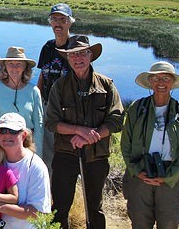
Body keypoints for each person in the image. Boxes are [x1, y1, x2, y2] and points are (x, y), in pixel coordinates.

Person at [45, 35, 124, 229]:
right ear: (68, 58)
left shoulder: (106, 85)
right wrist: (79, 130)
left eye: (83, 53)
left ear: (91, 56)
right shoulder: (59, 86)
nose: (78, 58)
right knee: (60, 208)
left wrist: (90, 137)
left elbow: (116, 120)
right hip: (65, 154)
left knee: (94, 209)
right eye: (73, 54)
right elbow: (51, 122)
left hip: (97, 157)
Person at [121, 61, 179, 229]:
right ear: (150, 82)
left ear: (173, 82)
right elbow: (126, 145)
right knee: (139, 223)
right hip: (140, 176)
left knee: (168, 224)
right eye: (156, 78)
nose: (161, 83)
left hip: (171, 181)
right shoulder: (136, 109)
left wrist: (169, 176)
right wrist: (137, 172)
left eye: (166, 78)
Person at [0, 46, 44, 157]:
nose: (14, 68)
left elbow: (39, 125)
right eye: (10, 64)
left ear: (25, 67)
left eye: (19, 64)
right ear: (5, 67)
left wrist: (38, 153)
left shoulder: (33, 91)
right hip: (1, 143)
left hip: (26, 145)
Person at [36, 3, 74, 174]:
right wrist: (36, 100)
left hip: (67, 109)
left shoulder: (76, 48)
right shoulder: (47, 47)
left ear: (70, 22)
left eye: (62, 20)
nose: (58, 24)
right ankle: (47, 189)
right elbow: (42, 76)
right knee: (46, 151)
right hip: (46, 105)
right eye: (54, 19)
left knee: (65, 152)